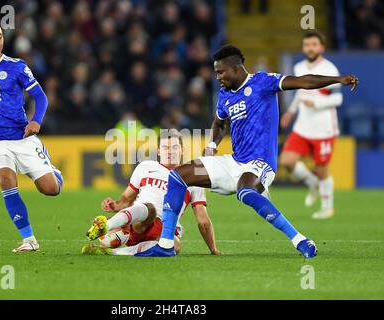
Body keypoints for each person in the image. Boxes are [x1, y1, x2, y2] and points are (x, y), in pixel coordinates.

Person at [135, 44, 358, 258]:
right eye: (216, 73)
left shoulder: (263, 82)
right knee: (177, 177)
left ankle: (300, 240)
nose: (218, 77)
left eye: (221, 72)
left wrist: (338, 80)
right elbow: (219, 123)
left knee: (246, 191)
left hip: (260, 163)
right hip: (233, 163)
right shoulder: (225, 95)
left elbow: (303, 82)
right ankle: (165, 246)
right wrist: (212, 144)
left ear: (235, 68)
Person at [0, 22, 63, 252]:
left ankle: (53, 171)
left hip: (21, 138)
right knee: (6, 180)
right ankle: (29, 240)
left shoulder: (16, 66)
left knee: (50, 189)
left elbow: (41, 97)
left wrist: (36, 120)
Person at [82, 129, 221, 256]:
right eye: (166, 147)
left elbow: (203, 220)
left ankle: (113, 252)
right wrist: (115, 205)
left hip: (164, 229)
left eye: (174, 147)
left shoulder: (193, 178)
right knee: (149, 208)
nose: (170, 151)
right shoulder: (145, 166)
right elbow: (125, 199)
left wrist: (213, 249)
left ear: (182, 150)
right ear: (159, 151)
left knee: (174, 246)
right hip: (138, 222)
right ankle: (107, 226)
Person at [280, 31, 342, 219]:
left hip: (323, 129)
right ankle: (312, 183)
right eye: (307, 45)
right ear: (303, 48)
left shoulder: (330, 69)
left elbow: (338, 98)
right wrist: (290, 111)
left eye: (314, 44)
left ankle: (327, 207)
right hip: (302, 127)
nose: (310, 48)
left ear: (321, 47)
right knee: (287, 161)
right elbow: (300, 93)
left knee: (322, 168)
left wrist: (316, 103)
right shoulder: (299, 67)